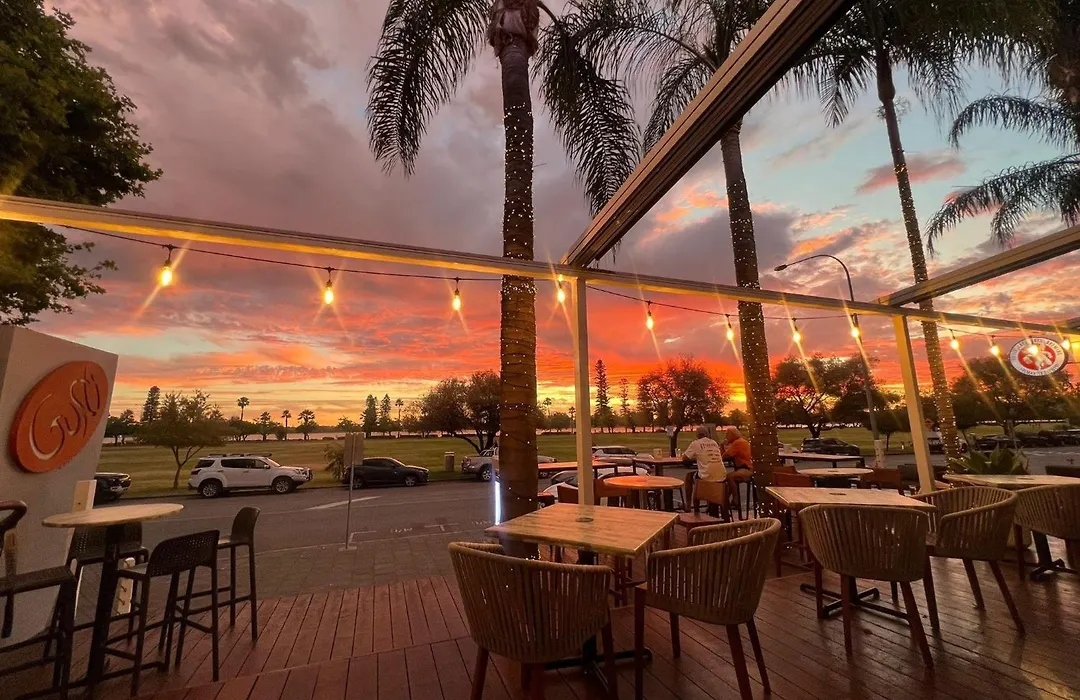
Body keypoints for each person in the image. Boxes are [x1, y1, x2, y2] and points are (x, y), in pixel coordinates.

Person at [682, 427, 726, 508]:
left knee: (689, 477)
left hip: (707, 476)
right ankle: (711, 506)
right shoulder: (714, 443)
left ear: (697, 435)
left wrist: (696, 457)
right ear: (707, 434)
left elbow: (685, 458)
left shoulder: (695, 443)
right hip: (722, 476)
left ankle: (689, 505)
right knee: (700, 474)